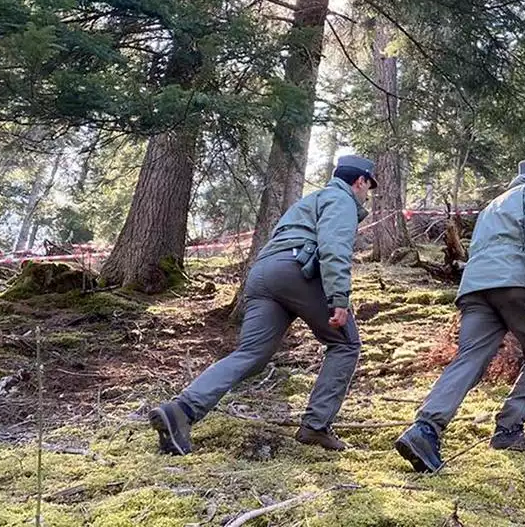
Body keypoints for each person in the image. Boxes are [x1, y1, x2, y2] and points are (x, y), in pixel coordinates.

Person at [148, 155, 376, 454]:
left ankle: (182, 410)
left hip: (263, 273)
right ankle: (315, 427)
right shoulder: (341, 200)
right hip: (297, 271)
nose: (367, 194)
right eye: (369, 188)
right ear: (359, 181)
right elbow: (334, 248)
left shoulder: (310, 200)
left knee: (251, 354)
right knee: (346, 344)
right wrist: (338, 299)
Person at [395, 158, 525, 473]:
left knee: (469, 358)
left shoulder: (492, 205)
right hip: (515, 285)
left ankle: (425, 430)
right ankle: (509, 430)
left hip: (475, 288)